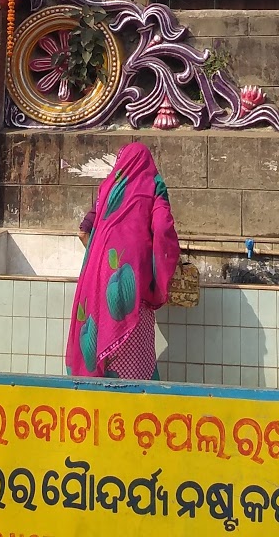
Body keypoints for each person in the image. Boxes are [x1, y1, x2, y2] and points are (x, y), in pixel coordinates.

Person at [65, 142, 181, 380]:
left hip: (98, 278)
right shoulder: (154, 185)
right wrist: (161, 268)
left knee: (99, 339)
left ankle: (98, 401)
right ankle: (132, 405)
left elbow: (82, 231)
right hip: (132, 276)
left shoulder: (108, 187)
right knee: (133, 352)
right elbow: (162, 227)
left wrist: (102, 257)